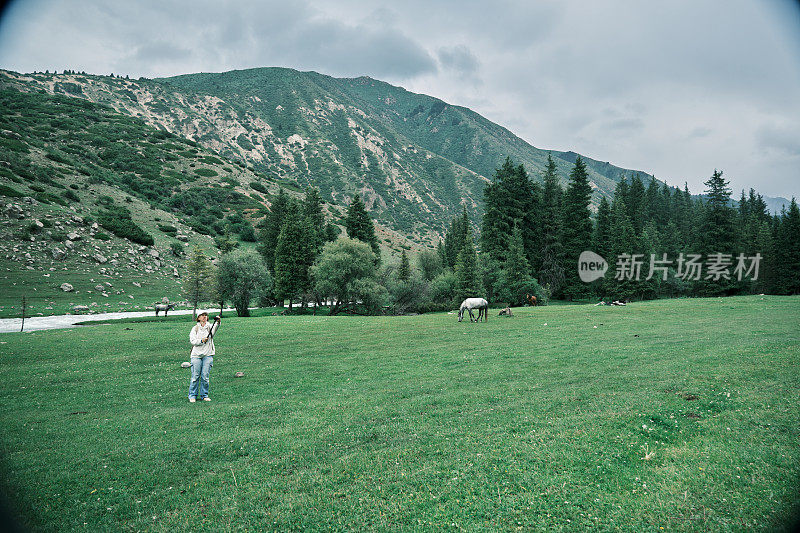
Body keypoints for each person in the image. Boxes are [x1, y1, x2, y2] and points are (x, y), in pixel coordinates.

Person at [188, 311, 220, 403]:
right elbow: (192, 341)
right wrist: (201, 341)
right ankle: (192, 395)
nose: (204, 317)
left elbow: (215, 329)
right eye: (202, 315)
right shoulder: (195, 328)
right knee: (195, 376)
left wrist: (218, 322)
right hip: (196, 355)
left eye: (205, 315)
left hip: (208, 354)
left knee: (205, 376)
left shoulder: (210, 327)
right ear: (198, 318)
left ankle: (204, 395)